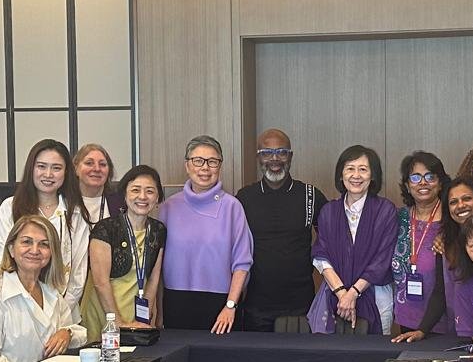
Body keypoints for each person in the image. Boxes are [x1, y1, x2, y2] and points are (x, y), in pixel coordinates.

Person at [0, 214, 89, 362]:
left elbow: (80, 335)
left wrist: (67, 333)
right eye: (26, 242)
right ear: (11, 249)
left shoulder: (53, 295)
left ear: (52, 253)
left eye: (44, 244)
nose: (35, 250)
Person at [156, 135, 253, 333]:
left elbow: (242, 263)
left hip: (221, 306)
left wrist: (230, 306)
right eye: (198, 161)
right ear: (187, 165)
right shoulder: (168, 207)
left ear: (220, 166)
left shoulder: (232, 207)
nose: (205, 168)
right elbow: (156, 264)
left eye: (212, 162)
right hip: (176, 301)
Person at [236, 128, 328, 332]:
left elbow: (331, 240)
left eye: (282, 152)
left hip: (301, 306)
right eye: (267, 153)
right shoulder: (244, 198)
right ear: (258, 158)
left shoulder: (310, 195)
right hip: (256, 306)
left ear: (291, 156)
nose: (274, 159)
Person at [0, 139, 91, 322]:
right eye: (41, 166)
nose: (48, 174)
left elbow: (78, 273)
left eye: (56, 168)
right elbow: (0, 261)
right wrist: (27, 308)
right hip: (16, 311)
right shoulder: (10, 207)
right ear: (31, 169)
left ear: (66, 172)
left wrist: (58, 312)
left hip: (63, 312)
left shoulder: (76, 213)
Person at [392, 177, 473, 342]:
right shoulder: (445, 244)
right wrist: (422, 330)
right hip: (462, 332)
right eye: (453, 202)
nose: (460, 205)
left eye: (467, 198)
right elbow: (440, 291)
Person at [310, 145, 397, 334]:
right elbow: (321, 255)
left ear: (372, 176)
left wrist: (353, 293)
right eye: (350, 168)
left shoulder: (385, 211)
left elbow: (382, 260)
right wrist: (342, 293)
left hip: (376, 297)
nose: (356, 175)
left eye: (363, 169)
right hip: (335, 297)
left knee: (375, 350)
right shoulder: (328, 212)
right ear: (341, 175)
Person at [84, 164, 168, 336]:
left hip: (137, 315)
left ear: (158, 197)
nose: (142, 197)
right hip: (105, 314)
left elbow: (153, 279)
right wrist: (118, 322)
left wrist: (144, 320)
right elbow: (100, 282)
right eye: (135, 190)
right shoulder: (105, 229)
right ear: (125, 194)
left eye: (150, 191)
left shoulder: (158, 230)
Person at [391, 151, 452, 336]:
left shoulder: (452, 219)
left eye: (430, 177)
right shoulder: (398, 218)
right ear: (407, 185)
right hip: (406, 315)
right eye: (415, 177)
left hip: (445, 316)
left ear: (440, 183)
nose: (423, 182)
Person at [73, 143, 124, 223]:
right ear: (76, 168)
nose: (97, 169)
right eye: (89, 163)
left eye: (102, 164)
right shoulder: (63, 201)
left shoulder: (120, 202)